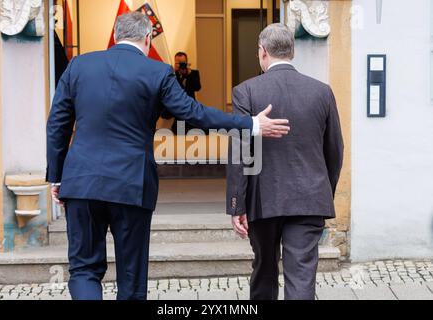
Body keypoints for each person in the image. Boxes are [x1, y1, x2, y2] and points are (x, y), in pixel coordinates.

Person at [46, 12, 290, 300]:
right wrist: (250, 124)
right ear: (148, 38)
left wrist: (57, 176)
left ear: (116, 34)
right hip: (131, 185)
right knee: (131, 275)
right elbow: (195, 114)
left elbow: (57, 124)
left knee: (84, 270)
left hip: (82, 182)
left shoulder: (78, 66)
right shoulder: (157, 72)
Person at [226, 24, 344, 300]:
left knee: (264, 270)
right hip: (309, 198)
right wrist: (323, 191)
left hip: (262, 200)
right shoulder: (321, 91)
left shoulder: (246, 92)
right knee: (302, 275)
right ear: (292, 51)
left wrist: (237, 204)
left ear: (262, 52)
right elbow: (335, 150)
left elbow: (240, 153)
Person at [161, 52, 204, 134]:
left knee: (194, 133)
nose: (181, 65)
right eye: (178, 63)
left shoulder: (194, 73)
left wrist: (189, 74)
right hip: (178, 110)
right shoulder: (172, 75)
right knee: (180, 133)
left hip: (191, 108)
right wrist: (173, 73)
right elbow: (170, 88)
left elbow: (197, 87)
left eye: (182, 63)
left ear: (187, 62)